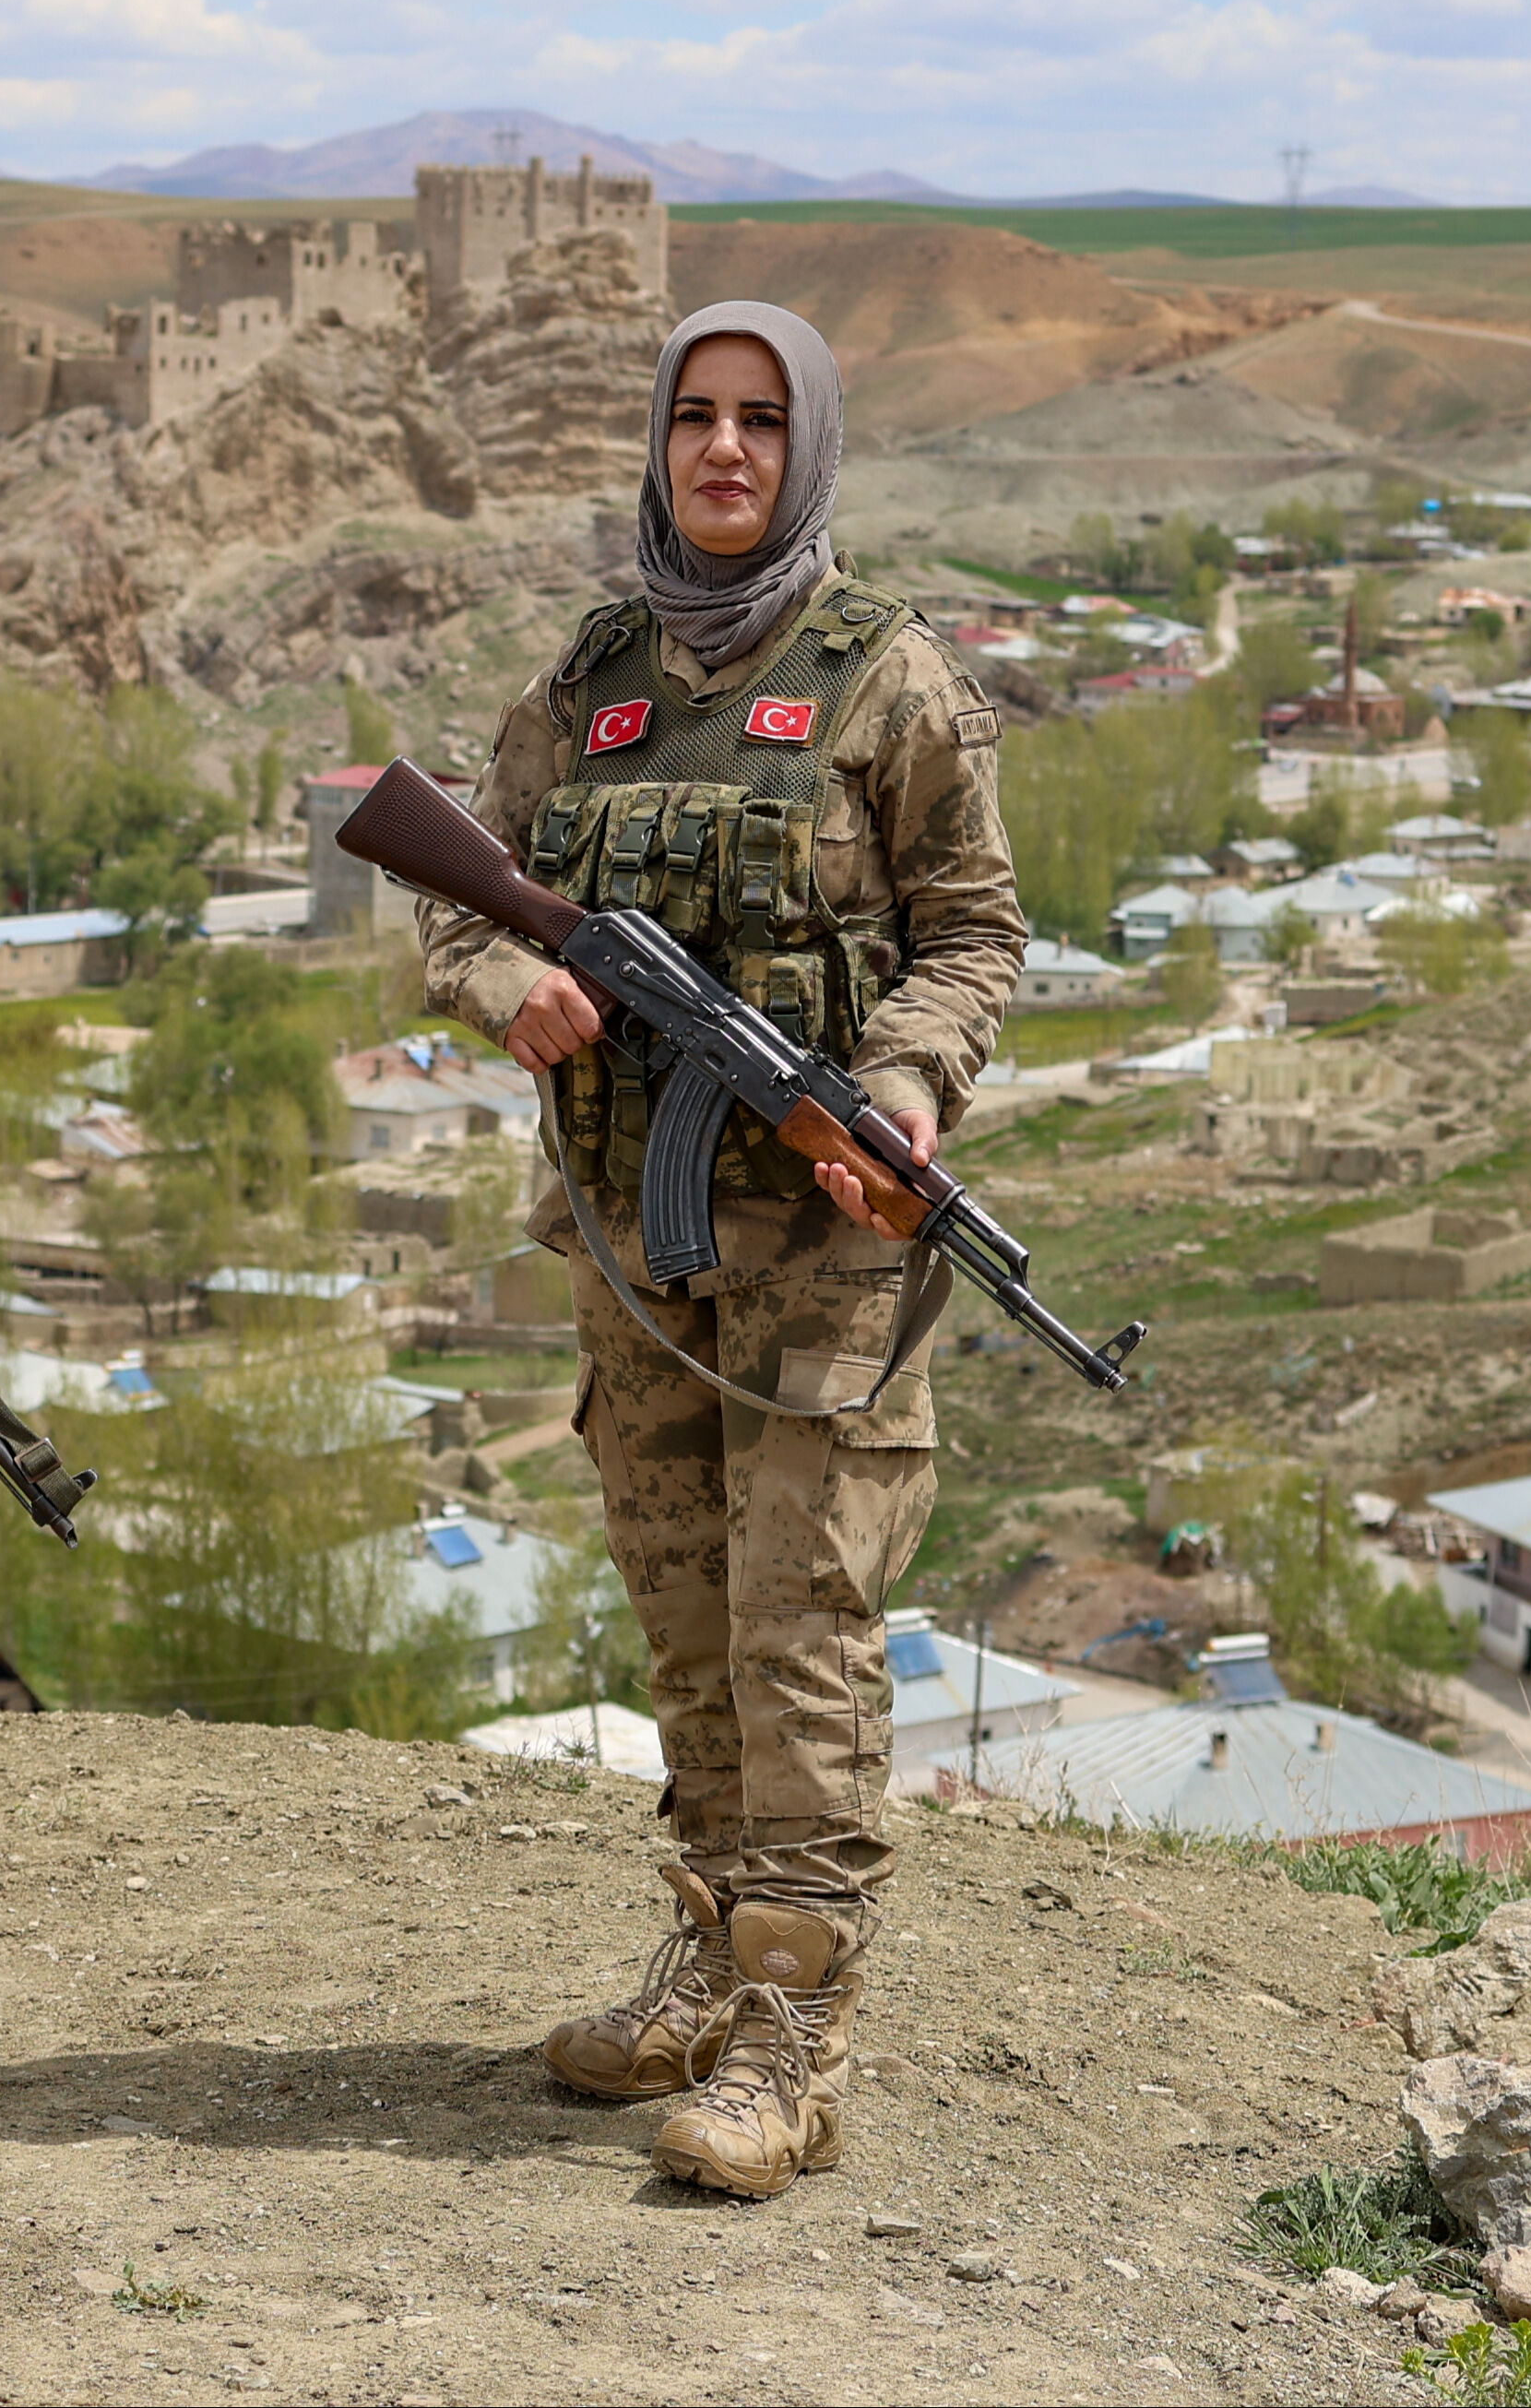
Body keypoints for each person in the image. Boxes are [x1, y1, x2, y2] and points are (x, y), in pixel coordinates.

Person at [416, 302, 1024, 2203]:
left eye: (762, 421)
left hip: (824, 1259)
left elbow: (975, 935)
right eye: (695, 416)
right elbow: (446, 902)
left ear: (808, 445)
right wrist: (505, 974)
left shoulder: (888, 683)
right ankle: (698, 1950)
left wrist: (905, 1088)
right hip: (629, 1250)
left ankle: (790, 2024)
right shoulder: (588, 680)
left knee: (800, 1635)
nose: (725, 450)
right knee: (686, 1625)